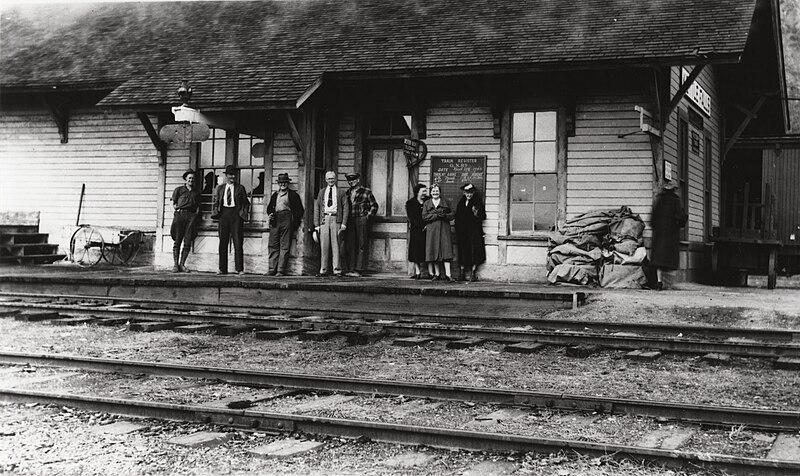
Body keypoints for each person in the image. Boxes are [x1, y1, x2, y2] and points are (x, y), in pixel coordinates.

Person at [648, 179, 688, 290]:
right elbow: (680, 217)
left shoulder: (659, 200)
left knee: (658, 260)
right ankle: (669, 283)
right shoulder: (676, 201)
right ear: (674, 190)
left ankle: (659, 282)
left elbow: (652, 219)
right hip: (670, 235)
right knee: (669, 260)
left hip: (659, 235)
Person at [211, 164, 250, 275]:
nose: (232, 177)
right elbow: (216, 202)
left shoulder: (240, 188)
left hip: (236, 215)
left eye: (234, 175)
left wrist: (242, 214)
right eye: (230, 175)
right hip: (224, 215)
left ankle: (239, 269)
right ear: (226, 175)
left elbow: (246, 204)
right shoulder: (220, 188)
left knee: (238, 242)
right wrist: (216, 212)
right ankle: (222, 269)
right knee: (223, 242)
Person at [266, 173, 304, 276]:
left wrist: (293, 222)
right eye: (281, 183)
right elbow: (269, 208)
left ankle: (280, 270)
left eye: (285, 182)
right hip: (276, 220)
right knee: (273, 245)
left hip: (287, 219)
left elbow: (300, 210)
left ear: (288, 183)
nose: (283, 184)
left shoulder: (292, 195)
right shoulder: (275, 195)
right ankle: (272, 269)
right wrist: (270, 214)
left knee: (284, 246)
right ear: (279, 184)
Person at [314, 171, 350, 277]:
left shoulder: (341, 192)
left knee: (336, 245)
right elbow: (317, 208)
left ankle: (337, 270)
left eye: (333, 178)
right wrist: (317, 224)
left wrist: (344, 224)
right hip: (324, 219)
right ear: (326, 180)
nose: (331, 180)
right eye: (329, 179)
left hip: (336, 219)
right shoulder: (322, 192)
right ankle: (323, 269)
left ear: (336, 179)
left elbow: (346, 208)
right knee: (324, 245)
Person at [344, 172, 379, 277]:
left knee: (361, 244)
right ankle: (351, 269)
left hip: (361, 219)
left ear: (358, 180)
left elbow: (374, 205)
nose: (351, 182)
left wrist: (368, 216)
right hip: (350, 220)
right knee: (350, 244)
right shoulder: (347, 193)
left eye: (353, 180)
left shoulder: (366, 192)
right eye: (349, 180)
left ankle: (359, 269)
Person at [422, 183, 456, 282]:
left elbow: (453, 214)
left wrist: (444, 216)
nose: (435, 193)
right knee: (434, 250)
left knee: (446, 250)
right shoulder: (427, 203)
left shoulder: (446, 202)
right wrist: (436, 215)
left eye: (437, 191)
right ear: (431, 192)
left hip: (444, 229)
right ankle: (436, 274)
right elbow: (424, 216)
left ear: (440, 192)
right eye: (433, 191)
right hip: (432, 230)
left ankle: (448, 275)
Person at [170, 168, 201, 273]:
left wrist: (194, 217)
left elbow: (197, 207)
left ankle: (182, 264)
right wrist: (175, 213)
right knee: (177, 240)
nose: (191, 180)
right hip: (180, 215)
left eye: (193, 178)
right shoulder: (178, 190)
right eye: (189, 178)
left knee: (187, 241)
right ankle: (175, 265)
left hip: (191, 217)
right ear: (185, 179)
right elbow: (172, 203)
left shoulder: (196, 193)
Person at [455, 183, 486, 282]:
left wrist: (476, 213)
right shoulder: (461, 203)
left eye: (471, 193)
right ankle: (462, 273)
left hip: (474, 232)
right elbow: (458, 217)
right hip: (463, 232)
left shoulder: (477, 203)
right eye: (467, 193)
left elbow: (483, 216)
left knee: (474, 252)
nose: (469, 195)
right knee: (463, 252)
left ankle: (473, 273)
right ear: (464, 193)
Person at [406, 183, 432, 279]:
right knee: (416, 250)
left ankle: (430, 272)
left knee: (428, 250)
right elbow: (412, 217)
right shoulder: (410, 203)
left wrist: (427, 225)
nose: (425, 193)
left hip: (428, 229)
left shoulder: (429, 201)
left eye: (426, 191)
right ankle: (417, 272)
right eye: (423, 191)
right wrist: (420, 226)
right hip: (416, 230)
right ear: (417, 192)